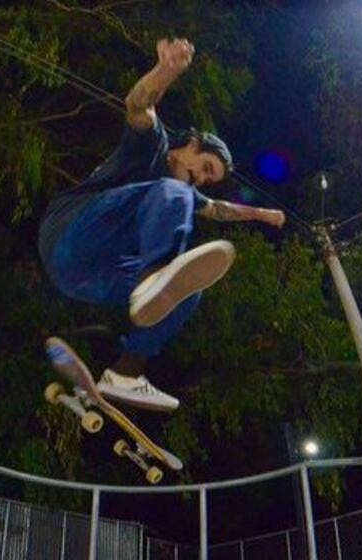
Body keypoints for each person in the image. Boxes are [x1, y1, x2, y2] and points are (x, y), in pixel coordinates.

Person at [38, 37, 286, 411]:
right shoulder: (153, 144)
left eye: (209, 179)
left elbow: (217, 209)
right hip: (71, 232)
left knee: (188, 291)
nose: (202, 179)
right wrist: (166, 70)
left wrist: (261, 214)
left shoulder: (181, 192)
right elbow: (138, 104)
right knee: (175, 195)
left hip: (82, 276)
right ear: (192, 145)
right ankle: (154, 275)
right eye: (205, 167)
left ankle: (126, 373)